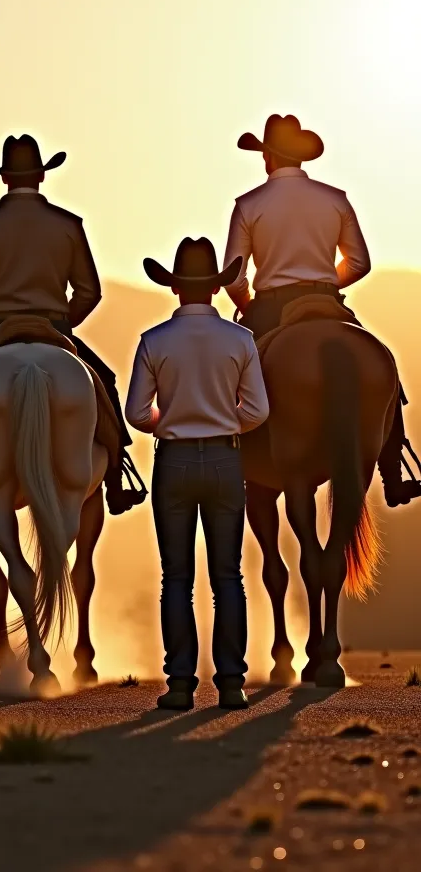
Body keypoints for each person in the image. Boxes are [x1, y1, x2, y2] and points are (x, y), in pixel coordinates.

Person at [222, 113, 421, 509]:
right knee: (385, 371)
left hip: (270, 307)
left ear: (268, 159)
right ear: (300, 158)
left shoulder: (249, 204)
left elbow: (233, 277)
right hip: (327, 301)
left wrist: (248, 304)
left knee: (230, 380)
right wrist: (326, 282)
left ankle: (229, 456)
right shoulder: (335, 199)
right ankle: (393, 472)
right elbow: (359, 262)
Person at [0, 133, 147, 516]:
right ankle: (118, 473)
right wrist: (63, 323)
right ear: (41, 176)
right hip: (54, 326)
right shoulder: (68, 224)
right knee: (104, 382)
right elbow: (88, 291)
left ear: (4, 178)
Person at [125, 237, 269, 712]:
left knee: (177, 578)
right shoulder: (241, 339)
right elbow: (258, 410)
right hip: (227, 461)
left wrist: (167, 424)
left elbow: (135, 412)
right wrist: (227, 425)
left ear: (175, 288)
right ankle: (231, 685)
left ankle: (181, 685)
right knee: (228, 575)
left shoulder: (154, 341)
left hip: (174, 460)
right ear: (215, 288)